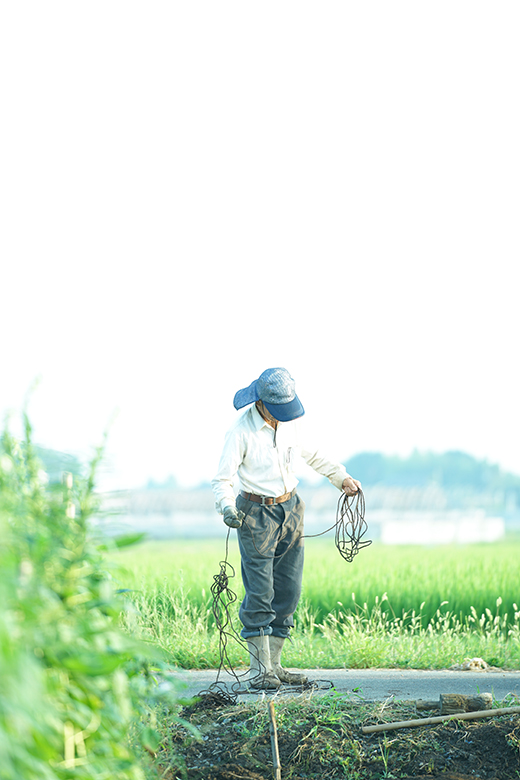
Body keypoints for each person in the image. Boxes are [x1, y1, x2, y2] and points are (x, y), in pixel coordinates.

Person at [211, 367, 361, 689]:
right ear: (262, 403)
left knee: (289, 589)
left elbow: (316, 456)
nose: (281, 417)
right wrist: (227, 508)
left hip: (291, 508)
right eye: (276, 411)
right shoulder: (240, 432)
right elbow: (223, 479)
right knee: (260, 590)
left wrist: (341, 478)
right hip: (254, 513)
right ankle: (259, 669)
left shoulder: (292, 425)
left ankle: (276, 666)